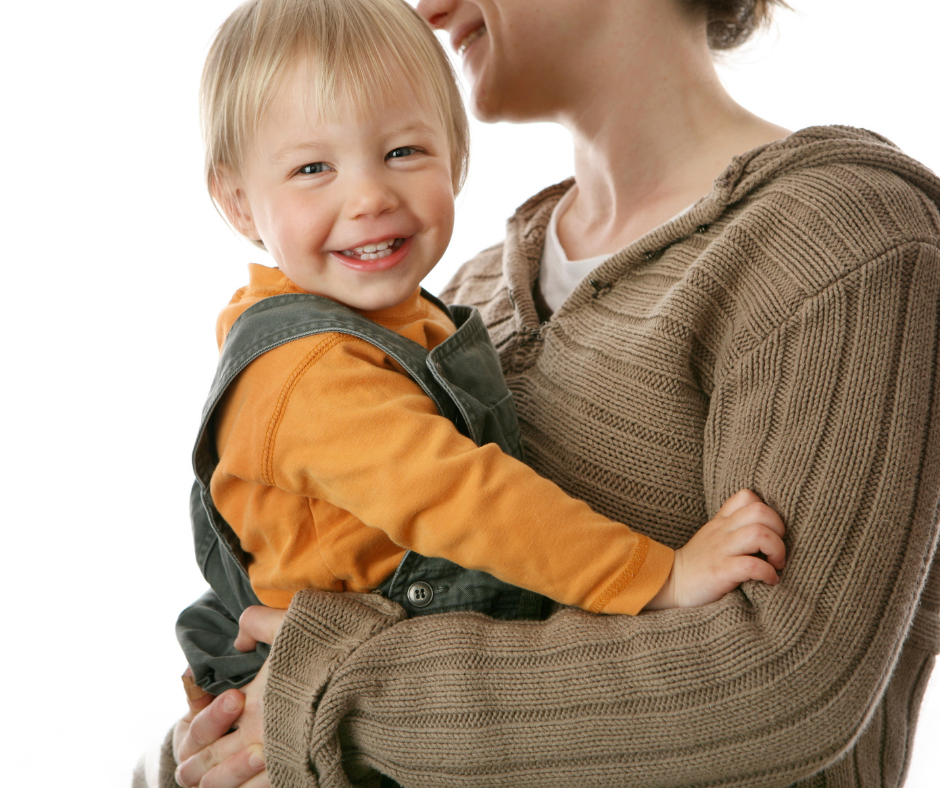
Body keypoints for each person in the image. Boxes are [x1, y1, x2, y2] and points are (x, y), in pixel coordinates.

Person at [158, 0, 940, 786]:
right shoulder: (460, 300)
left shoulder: (841, 246)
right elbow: (248, 696)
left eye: (401, 150)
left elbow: (785, 687)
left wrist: (322, 697)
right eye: (313, 167)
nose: (428, 7)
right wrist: (201, 756)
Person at [176, 0, 786, 702]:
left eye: (403, 152)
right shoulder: (306, 370)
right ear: (240, 204)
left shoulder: (416, 316)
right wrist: (658, 576)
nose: (370, 196)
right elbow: (467, 499)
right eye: (314, 168)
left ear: (457, 156)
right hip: (343, 701)